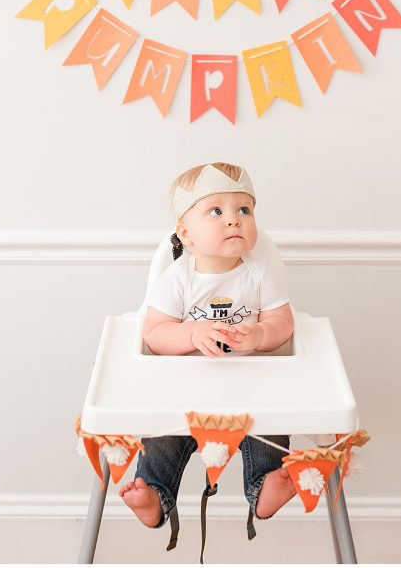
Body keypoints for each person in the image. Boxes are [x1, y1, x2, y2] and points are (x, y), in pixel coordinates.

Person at [119, 162, 298, 529]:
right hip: (184, 388)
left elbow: (284, 323)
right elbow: (154, 332)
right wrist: (192, 334)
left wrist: (262, 334)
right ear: (185, 232)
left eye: (243, 210)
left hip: (252, 386)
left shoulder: (259, 272)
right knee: (162, 435)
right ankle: (153, 494)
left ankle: (266, 486)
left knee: (270, 427)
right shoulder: (178, 279)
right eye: (216, 210)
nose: (234, 220)